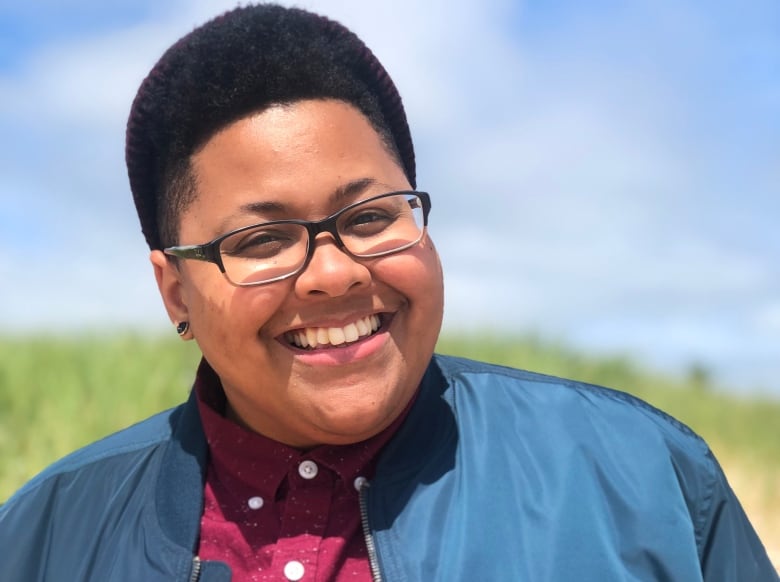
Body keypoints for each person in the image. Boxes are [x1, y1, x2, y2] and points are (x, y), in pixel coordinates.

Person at [0, 4, 776, 581]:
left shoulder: (645, 479)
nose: (334, 273)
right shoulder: (44, 537)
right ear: (175, 294)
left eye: (370, 217)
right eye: (261, 241)